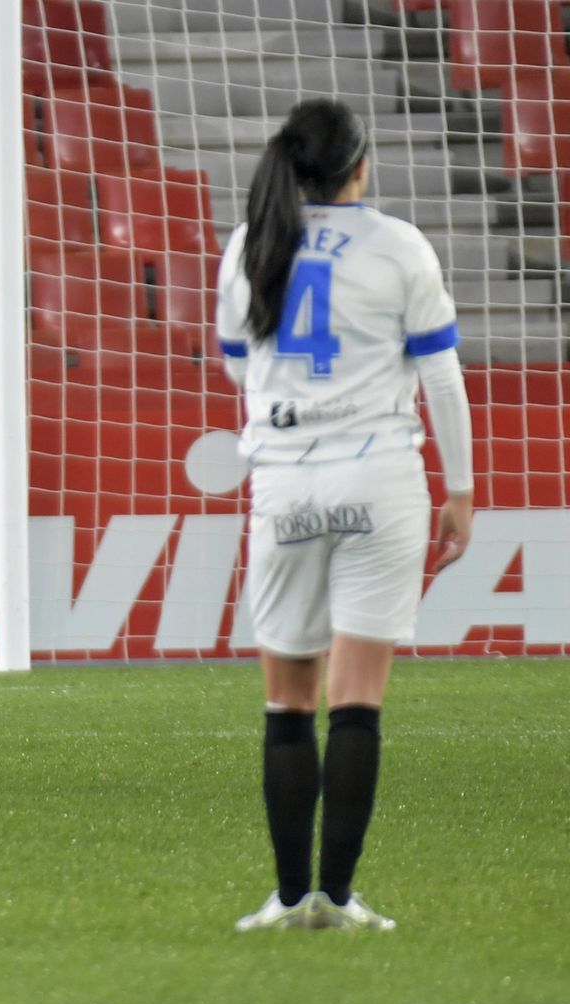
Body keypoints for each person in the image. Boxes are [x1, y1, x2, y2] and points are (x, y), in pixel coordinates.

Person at [217, 99, 474, 931]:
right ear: (362, 164)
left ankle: (288, 899)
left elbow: (237, 371)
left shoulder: (250, 242)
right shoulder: (399, 245)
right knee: (357, 698)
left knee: (287, 700)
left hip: (286, 481)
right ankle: (339, 895)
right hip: (381, 480)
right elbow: (440, 376)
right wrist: (461, 489)